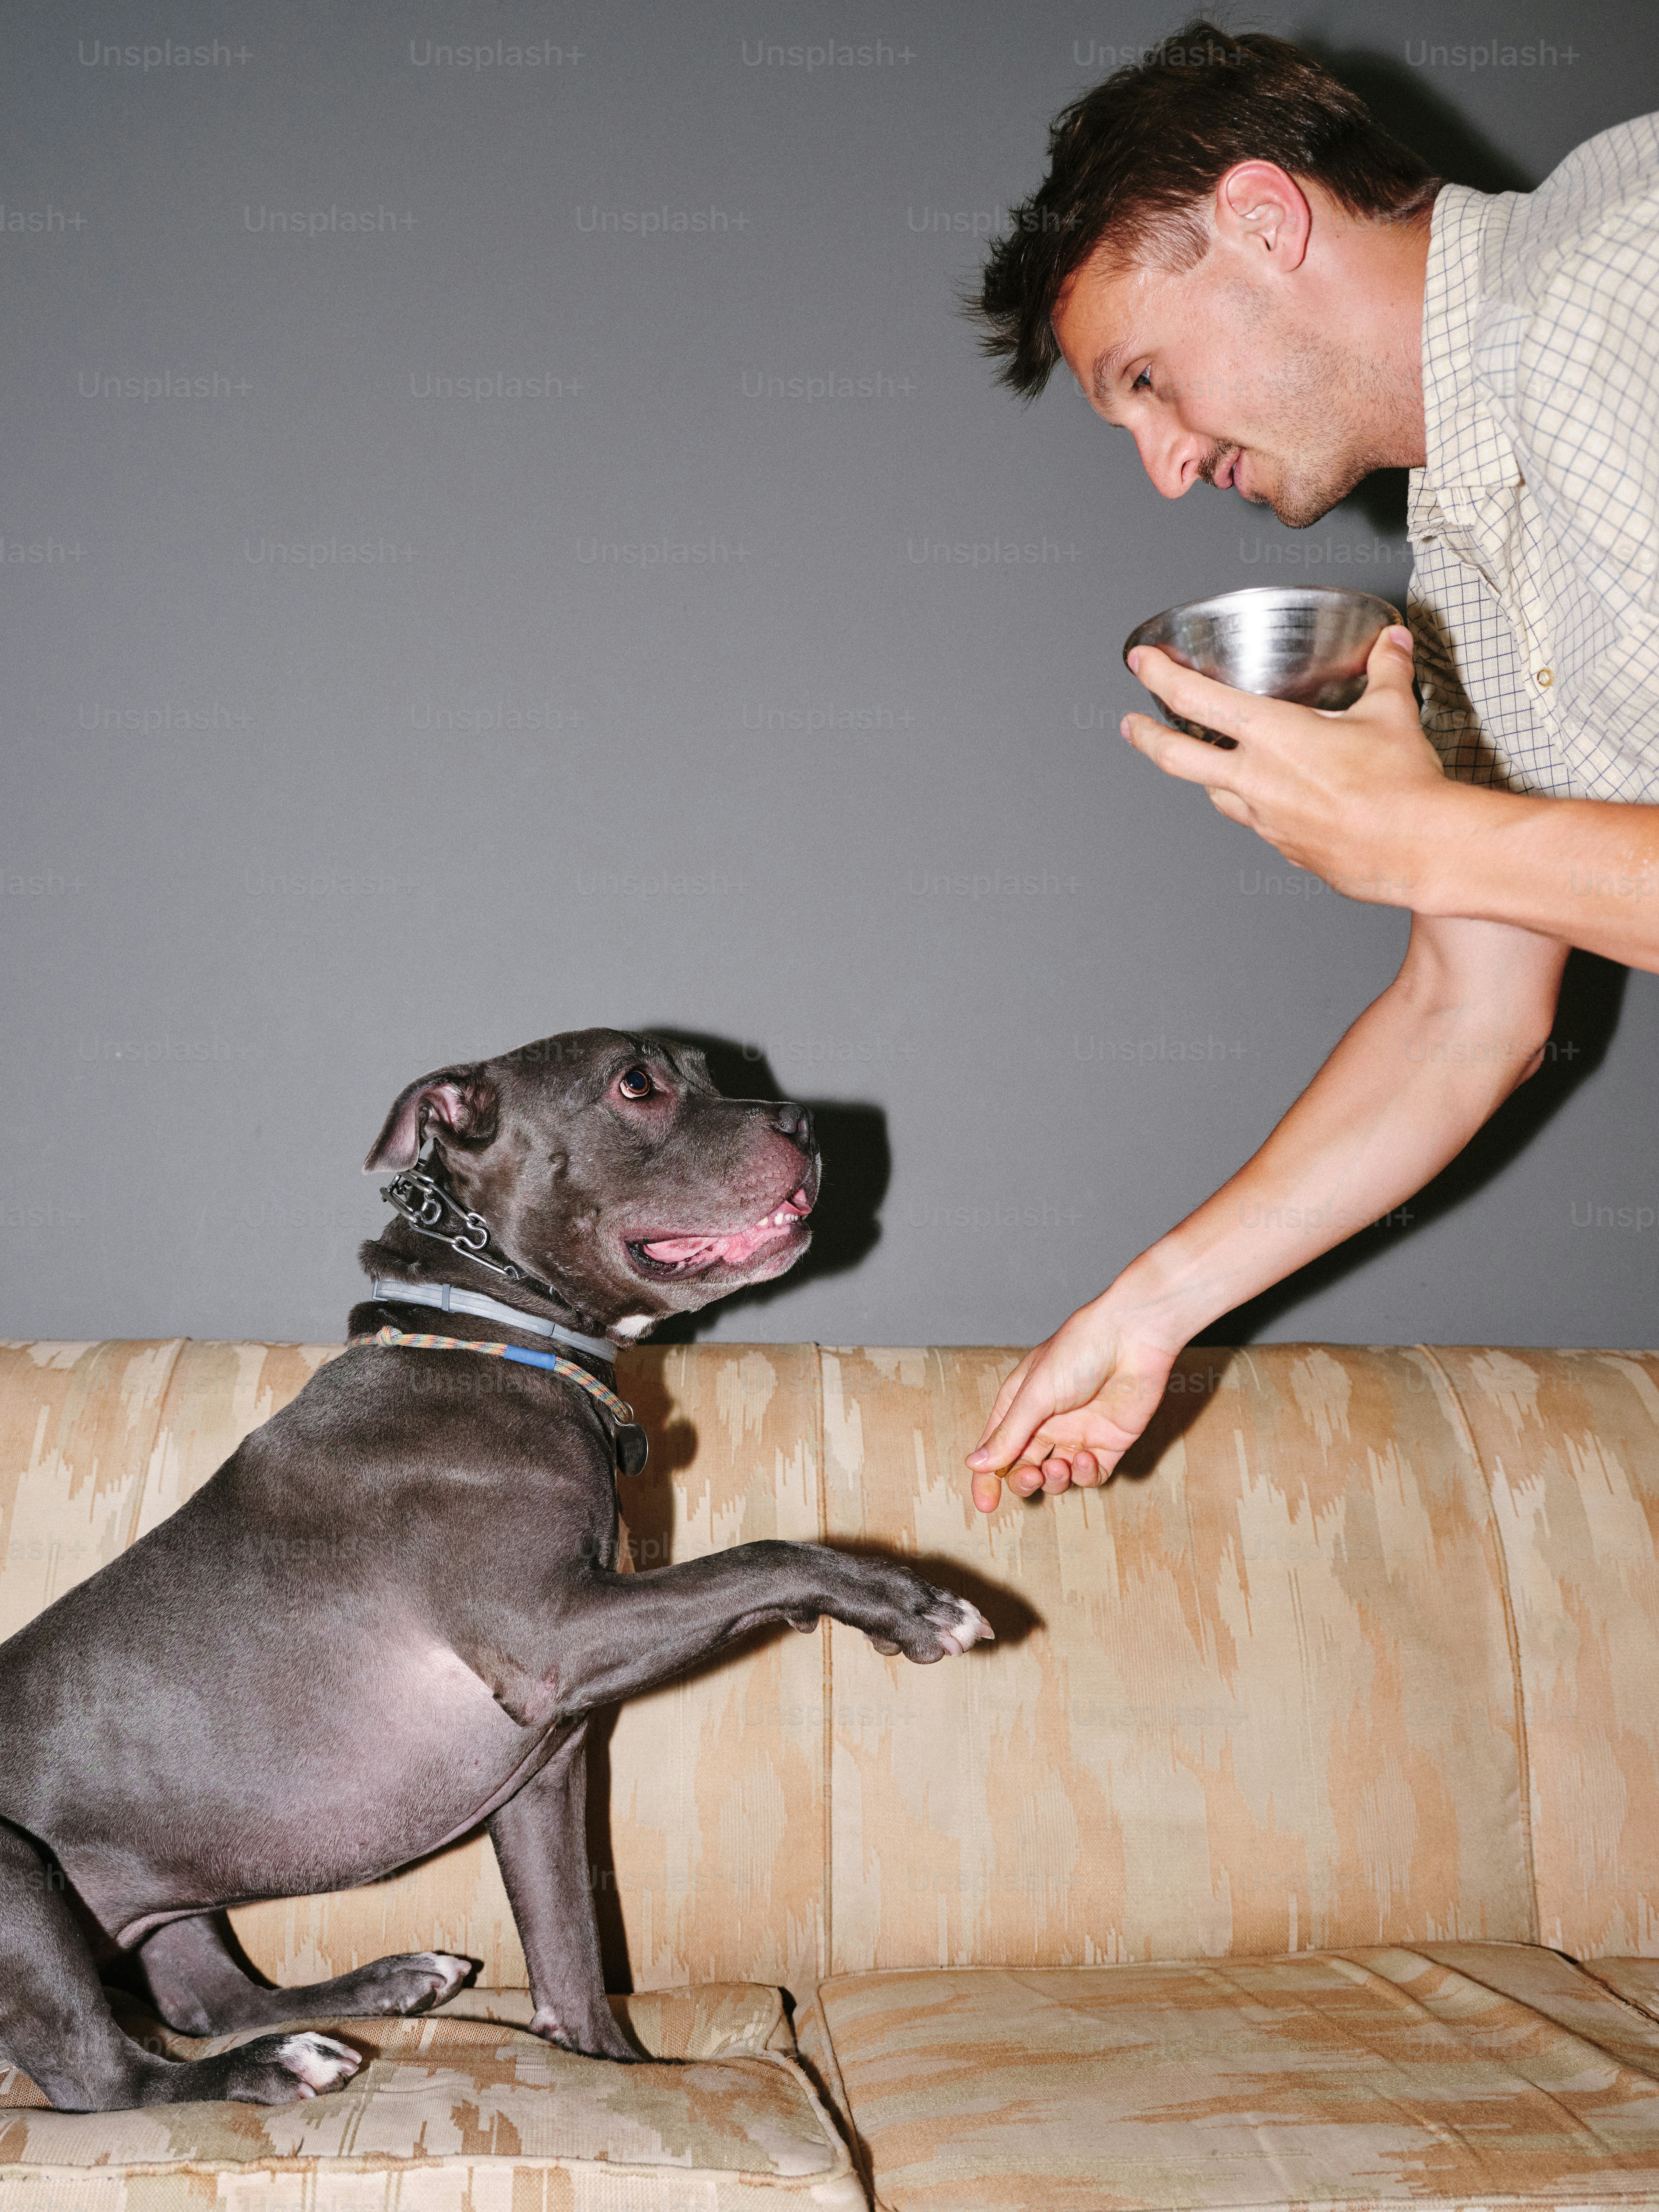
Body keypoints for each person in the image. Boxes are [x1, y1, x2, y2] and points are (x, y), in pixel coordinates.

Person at [964, 22, 1659, 1509]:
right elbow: (1462, 1017)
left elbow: (1454, 868)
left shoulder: (1632, 271)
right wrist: (1149, 1309)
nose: (1159, 467)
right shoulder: (1463, 572)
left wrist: (1426, 839)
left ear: (1263, 220)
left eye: (1144, 376)